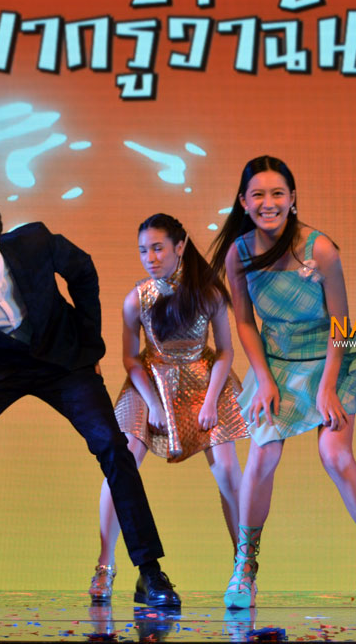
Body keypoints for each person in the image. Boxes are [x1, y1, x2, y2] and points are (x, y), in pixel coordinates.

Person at [0, 197, 178, 609]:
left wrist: (88, 344)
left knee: (114, 448)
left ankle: (149, 573)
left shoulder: (34, 243)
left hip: (63, 362)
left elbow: (82, 270)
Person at [208, 155, 356, 611]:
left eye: (278, 193)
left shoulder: (321, 249)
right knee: (262, 455)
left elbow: (341, 323)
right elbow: (245, 323)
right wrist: (263, 378)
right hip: (275, 361)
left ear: (292, 198)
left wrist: (328, 386)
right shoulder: (238, 253)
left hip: (331, 358)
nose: (268, 202)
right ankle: (245, 566)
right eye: (258, 194)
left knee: (335, 455)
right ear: (243, 201)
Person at [89, 213, 246, 602]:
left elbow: (225, 352)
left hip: (203, 378)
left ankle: (244, 565)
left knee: (228, 470)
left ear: (180, 246)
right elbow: (130, 359)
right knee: (121, 463)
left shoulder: (208, 293)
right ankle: (105, 565)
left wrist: (211, 400)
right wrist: (154, 404)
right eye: (143, 250)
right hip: (150, 380)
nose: (150, 258)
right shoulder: (136, 298)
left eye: (158, 248)